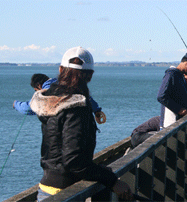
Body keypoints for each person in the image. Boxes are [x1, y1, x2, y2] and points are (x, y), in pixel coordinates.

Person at [29, 47, 133, 201]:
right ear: (90, 75)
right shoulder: (76, 107)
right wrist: (112, 181)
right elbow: (74, 161)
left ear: (60, 69)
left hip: (46, 188)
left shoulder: (50, 100)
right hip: (64, 192)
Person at [13, 73, 106, 124]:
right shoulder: (67, 83)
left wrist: (16, 104)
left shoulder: (49, 90)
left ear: (39, 85)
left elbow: (31, 108)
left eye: (36, 90)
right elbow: (85, 97)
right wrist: (96, 110)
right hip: (82, 124)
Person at [157, 51, 187, 129]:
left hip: (177, 123)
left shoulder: (180, 76)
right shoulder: (171, 74)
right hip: (170, 124)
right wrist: (178, 109)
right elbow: (161, 96)